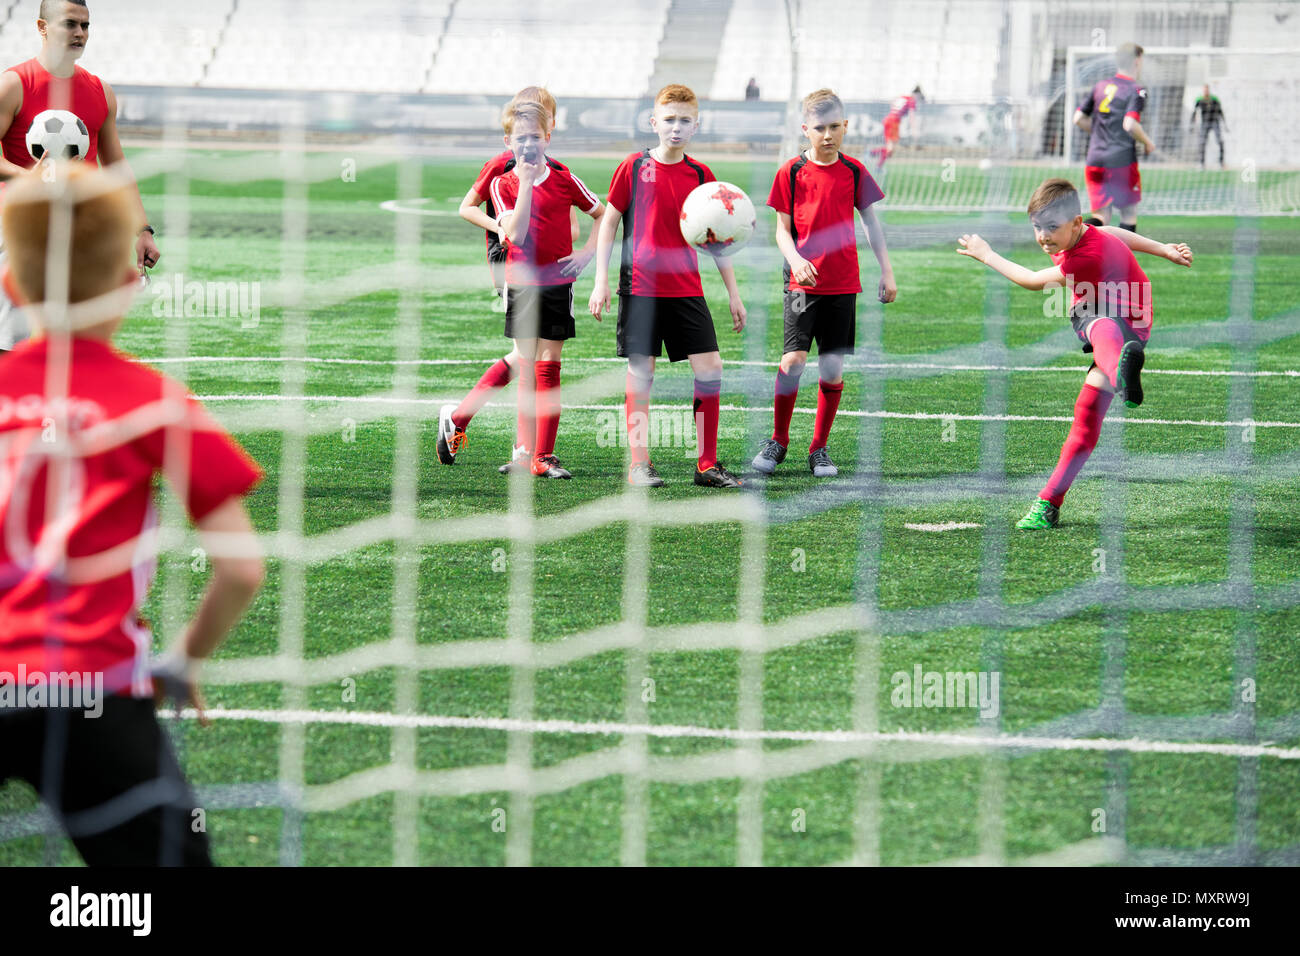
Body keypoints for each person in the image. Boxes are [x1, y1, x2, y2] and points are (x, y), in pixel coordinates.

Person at [0, 162, 265, 865]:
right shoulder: (153, 400)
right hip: (92, 688)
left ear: (9, 287)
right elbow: (241, 568)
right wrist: (184, 659)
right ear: (129, 283)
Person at [956, 178, 1192, 529]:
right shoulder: (1090, 233)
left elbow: (1034, 280)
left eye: (1052, 228)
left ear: (1076, 223)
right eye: (1037, 227)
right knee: (1086, 417)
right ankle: (1049, 503)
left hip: (1109, 313)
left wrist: (987, 255)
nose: (1043, 236)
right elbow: (1114, 231)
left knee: (1096, 323)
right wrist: (1164, 249)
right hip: (1136, 318)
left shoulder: (1083, 258)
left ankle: (1120, 375)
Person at [588, 83, 748, 488]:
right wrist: (600, 281)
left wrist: (733, 293)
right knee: (642, 370)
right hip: (640, 287)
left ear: (697, 125)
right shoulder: (633, 167)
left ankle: (707, 465)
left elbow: (717, 239)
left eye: (685, 121)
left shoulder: (701, 175)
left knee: (711, 367)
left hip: (686, 288)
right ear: (653, 122)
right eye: (670, 120)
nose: (676, 128)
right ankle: (639, 463)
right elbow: (608, 222)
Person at [438, 101, 604, 479]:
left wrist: (585, 255)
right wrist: (515, 202)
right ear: (507, 139)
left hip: (558, 280)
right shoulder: (502, 176)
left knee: (543, 363)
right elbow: (512, 230)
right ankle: (525, 450)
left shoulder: (563, 175)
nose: (527, 144)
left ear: (549, 134)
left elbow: (598, 214)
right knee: (527, 361)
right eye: (519, 137)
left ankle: (534, 453)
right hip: (517, 275)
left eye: (536, 135)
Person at [0, 0, 161, 352]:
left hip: (80, 232)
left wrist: (141, 230)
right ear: (42, 27)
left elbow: (116, 166)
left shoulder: (100, 91)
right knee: (11, 344)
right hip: (22, 231)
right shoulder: (14, 84)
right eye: (70, 24)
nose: (80, 34)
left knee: (72, 346)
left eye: (85, 26)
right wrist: (27, 178)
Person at [752, 88, 895, 478]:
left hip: (843, 283)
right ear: (805, 129)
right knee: (793, 360)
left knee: (831, 369)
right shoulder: (791, 172)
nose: (828, 134)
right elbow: (782, 231)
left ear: (845, 126)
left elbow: (870, 223)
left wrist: (886, 270)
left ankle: (819, 448)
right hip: (801, 284)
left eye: (835, 126)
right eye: (820, 128)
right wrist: (796, 260)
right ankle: (778, 440)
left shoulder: (854, 171)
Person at [1073, 42, 1155, 231]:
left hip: (1095, 160)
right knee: (1128, 214)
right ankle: (1121, 261)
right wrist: (1148, 143)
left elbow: (1078, 118)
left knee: (1101, 216)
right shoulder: (1137, 89)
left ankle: (1076, 241)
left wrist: (1101, 134)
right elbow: (1130, 124)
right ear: (1137, 61)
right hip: (1121, 161)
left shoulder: (1100, 86)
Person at [871, 85, 922, 170]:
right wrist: (914, 130)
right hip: (893, 122)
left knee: (891, 148)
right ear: (916, 95)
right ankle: (872, 154)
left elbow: (893, 102)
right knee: (890, 149)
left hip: (889, 120)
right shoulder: (911, 101)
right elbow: (911, 116)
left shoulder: (902, 97)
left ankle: (877, 164)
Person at [1190, 84, 1227, 168]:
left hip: (1215, 122)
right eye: (1204, 90)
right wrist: (1192, 124)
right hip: (1205, 123)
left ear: (1208, 90)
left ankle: (1221, 162)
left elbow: (1220, 111)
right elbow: (1194, 112)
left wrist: (1225, 124)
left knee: (1220, 141)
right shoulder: (1199, 100)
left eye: (1207, 90)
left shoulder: (1215, 99)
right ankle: (1201, 163)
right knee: (1202, 142)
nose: (1205, 91)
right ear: (1203, 91)